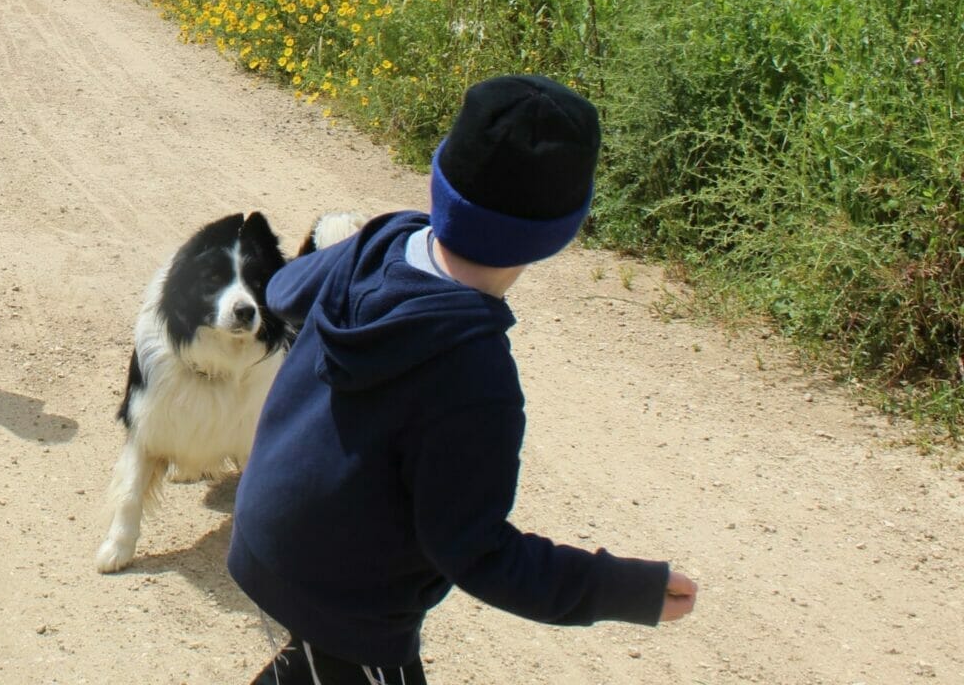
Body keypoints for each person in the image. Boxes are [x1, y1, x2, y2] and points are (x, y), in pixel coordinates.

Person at [228, 74, 699, 684]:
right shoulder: (474, 372)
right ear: (562, 230)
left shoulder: (382, 241)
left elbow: (286, 288)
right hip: (349, 600)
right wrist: (618, 589)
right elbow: (474, 552)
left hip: (272, 534)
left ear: (440, 178)